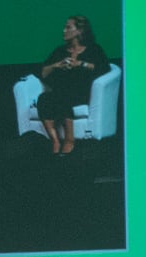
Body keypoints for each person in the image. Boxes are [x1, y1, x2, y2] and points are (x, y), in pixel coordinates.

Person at [35, 15, 109, 155]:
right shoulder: (60, 51)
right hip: (61, 91)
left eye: (68, 27)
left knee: (63, 96)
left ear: (79, 31)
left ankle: (70, 140)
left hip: (82, 92)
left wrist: (81, 64)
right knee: (44, 98)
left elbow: (103, 69)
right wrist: (57, 65)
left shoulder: (94, 49)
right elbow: (43, 72)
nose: (64, 30)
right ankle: (55, 141)